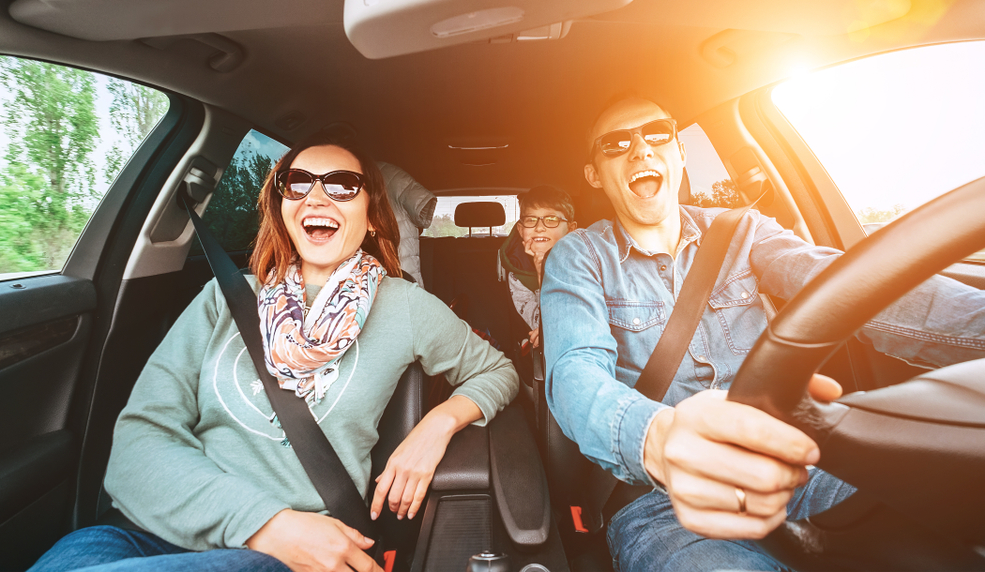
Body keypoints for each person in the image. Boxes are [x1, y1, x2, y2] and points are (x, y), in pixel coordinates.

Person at [29, 133, 519, 572]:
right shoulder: (224, 298)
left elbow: (497, 370)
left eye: (343, 185)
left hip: (288, 555)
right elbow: (138, 446)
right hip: (138, 536)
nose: (318, 196)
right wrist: (263, 521)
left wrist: (437, 425)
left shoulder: (406, 306)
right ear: (282, 207)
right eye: (298, 182)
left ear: (371, 216)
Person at [540, 97, 985, 571]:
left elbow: (849, 288)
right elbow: (574, 373)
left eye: (657, 134)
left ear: (680, 152)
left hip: (802, 466)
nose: (641, 151)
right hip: (665, 503)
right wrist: (660, 438)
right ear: (594, 175)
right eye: (617, 143)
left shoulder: (743, 231)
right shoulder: (579, 256)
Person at [500, 185, 577, 350]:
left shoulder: (585, 262)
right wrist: (542, 269)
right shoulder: (518, 272)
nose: (539, 227)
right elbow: (540, 324)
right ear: (521, 230)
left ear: (570, 230)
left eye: (551, 220)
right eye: (530, 220)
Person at [376, 161, 437, 288]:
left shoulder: (392, 176)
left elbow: (423, 216)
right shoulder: (392, 176)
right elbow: (422, 218)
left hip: (401, 270)